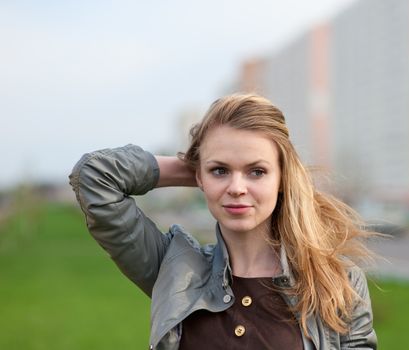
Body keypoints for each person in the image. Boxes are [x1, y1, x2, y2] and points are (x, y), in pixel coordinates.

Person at [69, 93, 377, 349]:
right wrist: (197, 166)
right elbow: (94, 178)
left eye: (257, 171)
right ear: (199, 176)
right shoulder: (174, 270)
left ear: (283, 178)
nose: (237, 187)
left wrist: (214, 165)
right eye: (221, 171)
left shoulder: (338, 283)